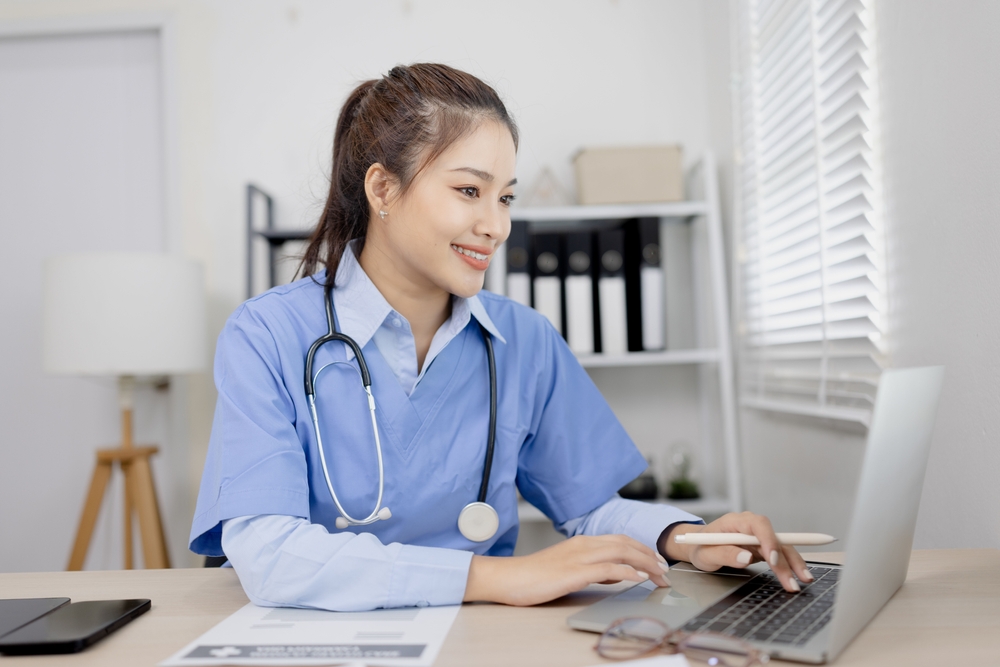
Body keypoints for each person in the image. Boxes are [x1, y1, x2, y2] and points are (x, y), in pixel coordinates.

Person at [189, 63, 812, 612]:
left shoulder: (524, 340)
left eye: (506, 197)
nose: (496, 225)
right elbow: (269, 553)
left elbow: (590, 505)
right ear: (383, 189)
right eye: (469, 191)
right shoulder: (267, 334)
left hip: (478, 640)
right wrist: (495, 577)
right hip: (319, 641)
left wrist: (686, 538)